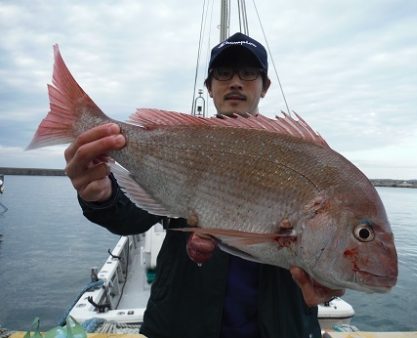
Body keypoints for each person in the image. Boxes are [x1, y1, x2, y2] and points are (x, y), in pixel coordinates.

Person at [64, 32, 343, 338]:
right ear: (209, 87)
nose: (236, 81)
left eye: (249, 73)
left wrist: (329, 281)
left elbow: (339, 261)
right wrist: (101, 197)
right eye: (223, 73)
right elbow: (131, 216)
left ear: (265, 86)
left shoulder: (305, 159)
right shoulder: (183, 144)